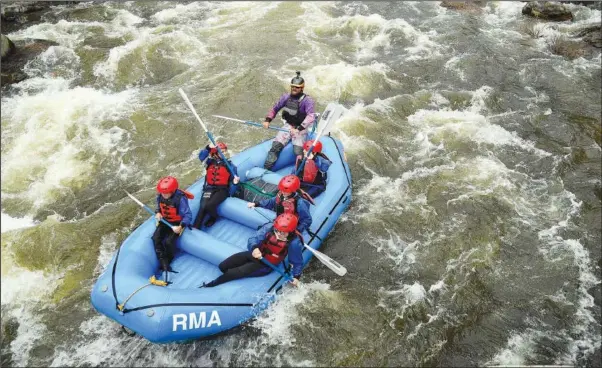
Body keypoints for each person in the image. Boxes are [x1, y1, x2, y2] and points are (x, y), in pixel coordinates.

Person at [200, 213, 303, 288]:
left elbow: (297, 262)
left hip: (266, 265)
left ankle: (210, 285)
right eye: (278, 230)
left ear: (290, 231)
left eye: (283, 233)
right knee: (222, 266)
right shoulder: (269, 228)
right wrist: (254, 248)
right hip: (254, 255)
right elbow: (253, 239)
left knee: (231, 273)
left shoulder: (294, 243)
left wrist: (296, 276)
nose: (279, 234)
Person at [262, 71, 316, 170]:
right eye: (292, 86)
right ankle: (266, 169)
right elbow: (275, 108)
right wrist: (267, 120)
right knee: (275, 147)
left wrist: (299, 129)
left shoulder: (307, 100)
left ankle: (299, 172)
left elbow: (311, 116)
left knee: (298, 151)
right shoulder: (286, 97)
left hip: (300, 128)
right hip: (288, 125)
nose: (294, 89)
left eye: (297, 87)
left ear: (302, 88)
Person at [193, 141, 240, 229]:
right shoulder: (209, 162)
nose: (225, 153)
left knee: (210, 205)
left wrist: (235, 183)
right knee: (202, 206)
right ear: (215, 153)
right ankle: (195, 228)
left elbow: (233, 187)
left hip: (222, 190)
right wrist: (208, 147)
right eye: (222, 151)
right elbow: (201, 156)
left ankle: (213, 217)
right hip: (209, 188)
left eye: (225, 151)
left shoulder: (230, 166)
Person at [247, 175, 312, 234]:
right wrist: (256, 204)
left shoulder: (299, 203)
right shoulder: (281, 195)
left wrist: (298, 229)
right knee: (265, 231)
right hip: (280, 222)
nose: (283, 192)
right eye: (282, 190)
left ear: (293, 190)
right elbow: (270, 202)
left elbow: (307, 219)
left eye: (286, 191)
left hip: (291, 226)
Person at [153, 176, 193, 273]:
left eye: (165, 193)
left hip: (177, 223)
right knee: (155, 238)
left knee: (168, 242)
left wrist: (180, 226)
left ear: (172, 191)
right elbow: (158, 207)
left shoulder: (180, 199)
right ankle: (163, 261)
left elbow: (188, 215)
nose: (163, 195)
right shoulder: (160, 196)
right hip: (165, 221)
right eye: (162, 192)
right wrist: (158, 212)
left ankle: (169, 258)